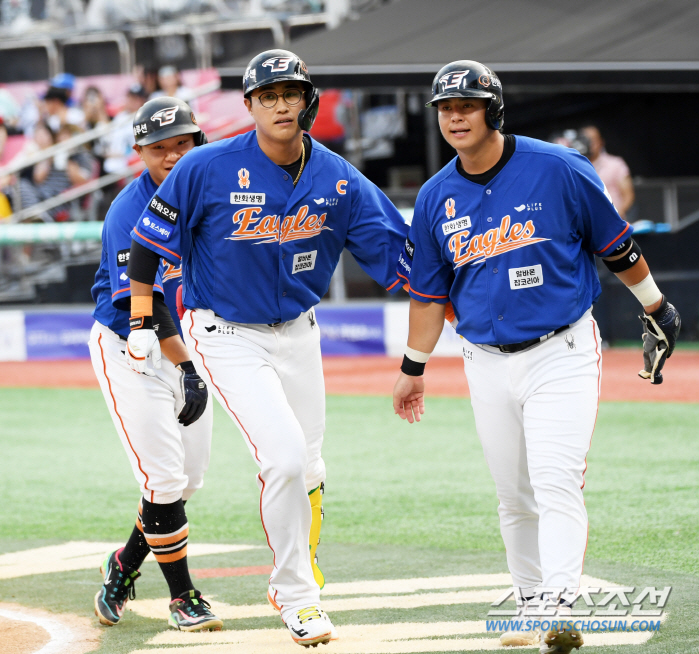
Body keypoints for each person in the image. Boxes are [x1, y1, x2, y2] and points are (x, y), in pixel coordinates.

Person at [392, 61, 681, 654]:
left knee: (555, 483)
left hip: (562, 350)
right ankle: (528, 602)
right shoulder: (434, 196)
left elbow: (617, 245)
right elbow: (428, 294)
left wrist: (657, 306)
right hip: (484, 359)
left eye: (466, 105)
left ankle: (560, 601)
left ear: (492, 109)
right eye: (445, 108)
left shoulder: (558, 168)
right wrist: (412, 369)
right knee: (512, 493)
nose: (454, 116)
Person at [124, 49, 408, 648]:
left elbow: (396, 253)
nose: (281, 104)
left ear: (308, 101)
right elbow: (146, 245)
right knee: (281, 458)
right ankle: (297, 597)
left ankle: (304, 566)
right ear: (248, 105)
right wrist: (144, 320)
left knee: (309, 465)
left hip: (300, 330)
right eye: (268, 95)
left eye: (291, 93)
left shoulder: (337, 175)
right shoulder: (205, 166)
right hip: (224, 331)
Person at [88, 97, 222, 633]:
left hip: (186, 346)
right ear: (140, 151)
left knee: (187, 483)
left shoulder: (212, 194)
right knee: (164, 479)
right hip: (131, 346)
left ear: (198, 144)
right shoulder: (129, 209)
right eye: (158, 148)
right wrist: (187, 367)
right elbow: (145, 304)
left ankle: (122, 566)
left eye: (181, 144)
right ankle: (183, 598)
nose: (171, 156)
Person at [582, 125, 635, 218]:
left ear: (601, 142)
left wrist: (618, 214)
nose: (589, 144)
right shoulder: (574, 166)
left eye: (593, 140)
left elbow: (628, 195)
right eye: (586, 140)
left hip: (612, 222)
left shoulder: (615, 164)